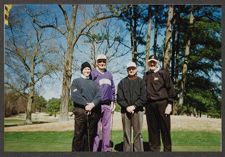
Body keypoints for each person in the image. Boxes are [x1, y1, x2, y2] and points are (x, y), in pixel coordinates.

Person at [144, 55, 176, 152]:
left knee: (165, 129)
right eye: (150, 62)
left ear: (157, 62)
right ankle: (154, 150)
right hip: (150, 105)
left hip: (163, 104)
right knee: (153, 130)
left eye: (154, 62)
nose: (152, 64)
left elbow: (170, 89)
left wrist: (170, 104)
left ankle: (167, 150)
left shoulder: (163, 73)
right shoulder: (146, 75)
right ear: (148, 63)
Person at [71, 62, 101, 152]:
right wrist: (86, 105)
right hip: (80, 112)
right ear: (82, 70)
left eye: (88, 69)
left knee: (89, 136)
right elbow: (75, 96)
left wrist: (92, 105)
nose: (87, 70)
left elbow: (99, 96)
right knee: (79, 135)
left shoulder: (94, 83)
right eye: (85, 69)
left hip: (93, 112)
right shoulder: (76, 81)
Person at [117, 61, 146, 152]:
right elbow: (119, 98)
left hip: (138, 110)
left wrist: (134, 106)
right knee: (126, 133)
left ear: (136, 69)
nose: (131, 70)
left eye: (133, 68)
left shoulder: (141, 82)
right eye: (129, 68)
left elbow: (144, 97)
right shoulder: (122, 82)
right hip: (125, 111)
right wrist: (127, 107)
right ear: (127, 70)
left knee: (138, 133)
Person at [92, 54, 116, 152]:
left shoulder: (109, 74)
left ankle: (105, 149)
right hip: (96, 105)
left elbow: (113, 88)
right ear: (97, 62)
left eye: (104, 61)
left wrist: (113, 102)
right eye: (100, 61)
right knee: (96, 130)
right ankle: (94, 149)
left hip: (107, 105)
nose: (102, 63)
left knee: (106, 129)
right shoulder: (93, 73)